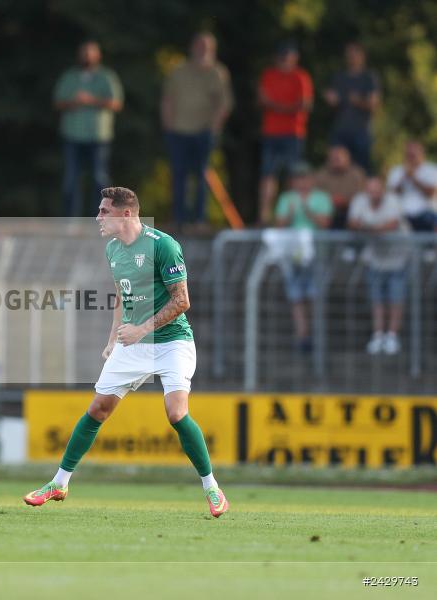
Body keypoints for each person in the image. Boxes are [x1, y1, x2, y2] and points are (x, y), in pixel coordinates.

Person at [23, 186, 229, 518]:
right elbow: (123, 296)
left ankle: (212, 488)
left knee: (176, 413)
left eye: (105, 211)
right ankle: (59, 483)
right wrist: (112, 338)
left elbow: (182, 301)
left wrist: (141, 329)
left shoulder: (164, 247)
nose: (98, 217)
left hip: (172, 341)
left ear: (127, 214)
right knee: (98, 409)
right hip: (132, 343)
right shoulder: (113, 250)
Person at [161, 32, 233, 229]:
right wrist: (168, 126)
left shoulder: (217, 72)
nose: (202, 50)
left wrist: (214, 129)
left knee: (201, 176)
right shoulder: (178, 71)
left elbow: (224, 104)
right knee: (178, 175)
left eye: (206, 47)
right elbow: (168, 100)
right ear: (192, 47)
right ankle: (178, 219)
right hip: (178, 131)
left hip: (204, 132)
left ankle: (199, 220)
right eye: (199, 45)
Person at [53, 41, 124, 217]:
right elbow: (58, 102)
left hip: (98, 136)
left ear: (98, 55)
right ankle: (70, 220)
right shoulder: (69, 77)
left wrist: (91, 100)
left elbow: (116, 103)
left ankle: (102, 218)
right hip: (72, 135)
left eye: (90, 53)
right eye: (84, 53)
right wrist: (74, 102)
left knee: (100, 179)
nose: (87, 56)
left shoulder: (107, 77)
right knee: (71, 179)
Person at [274, 162, 333, 353]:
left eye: (304, 178)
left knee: (314, 294)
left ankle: (318, 335)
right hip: (293, 255)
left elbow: (325, 223)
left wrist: (307, 209)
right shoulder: (286, 198)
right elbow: (280, 224)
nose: (301, 182)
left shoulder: (321, 198)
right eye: (298, 178)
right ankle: (303, 335)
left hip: (316, 254)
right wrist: (291, 212)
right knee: (296, 295)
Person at [348, 178, 409, 355]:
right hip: (374, 258)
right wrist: (375, 229)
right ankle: (378, 335)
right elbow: (352, 223)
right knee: (376, 299)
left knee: (396, 298)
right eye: (370, 190)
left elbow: (391, 225)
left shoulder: (393, 201)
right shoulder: (359, 201)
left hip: (398, 258)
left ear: (383, 190)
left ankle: (392, 335)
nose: (373, 194)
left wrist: (367, 228)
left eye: (376, 190)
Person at [258, 42, 314, 224]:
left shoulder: (301, 76)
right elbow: (262, 100)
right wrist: (289, 108)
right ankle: (264, 216)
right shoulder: (269, 75)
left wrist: (277, 107)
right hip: (272, 132)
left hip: (293, 133)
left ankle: (291, 217)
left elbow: (305, 104)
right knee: (268, 174)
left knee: (294, 176)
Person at [323, 43, 380, 174]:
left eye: (355, 55)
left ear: (362, 57)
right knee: (336, 168)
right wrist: (331, 101)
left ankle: (363, 194)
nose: (352, 58)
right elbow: (332, 100)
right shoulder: (339, 77)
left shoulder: (369, 77)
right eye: (349, 55)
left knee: (362, 169)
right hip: (340, 130)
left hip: (361, 131)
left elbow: (374, 104)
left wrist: (357, 101)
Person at [386, 141, 437, 232]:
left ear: (421, 154)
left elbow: (431, 193)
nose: (411, 158)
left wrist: (413, 178)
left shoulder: (432, 170)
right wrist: (404, 178)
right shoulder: (397, 171)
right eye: (408, 155)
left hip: (425, 212)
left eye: (413, 155)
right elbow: (391, 194)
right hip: (401, 214)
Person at [313, 145, 366, 229]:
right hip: (327, 213)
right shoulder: (320, 175)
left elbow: (363, 196)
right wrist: (328, 200)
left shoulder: (357, 174)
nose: (335, 161)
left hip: (350, 212)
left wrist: (345, 201)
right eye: (332, 158)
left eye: (338, 158)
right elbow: (314, 195)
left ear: (347, 159)